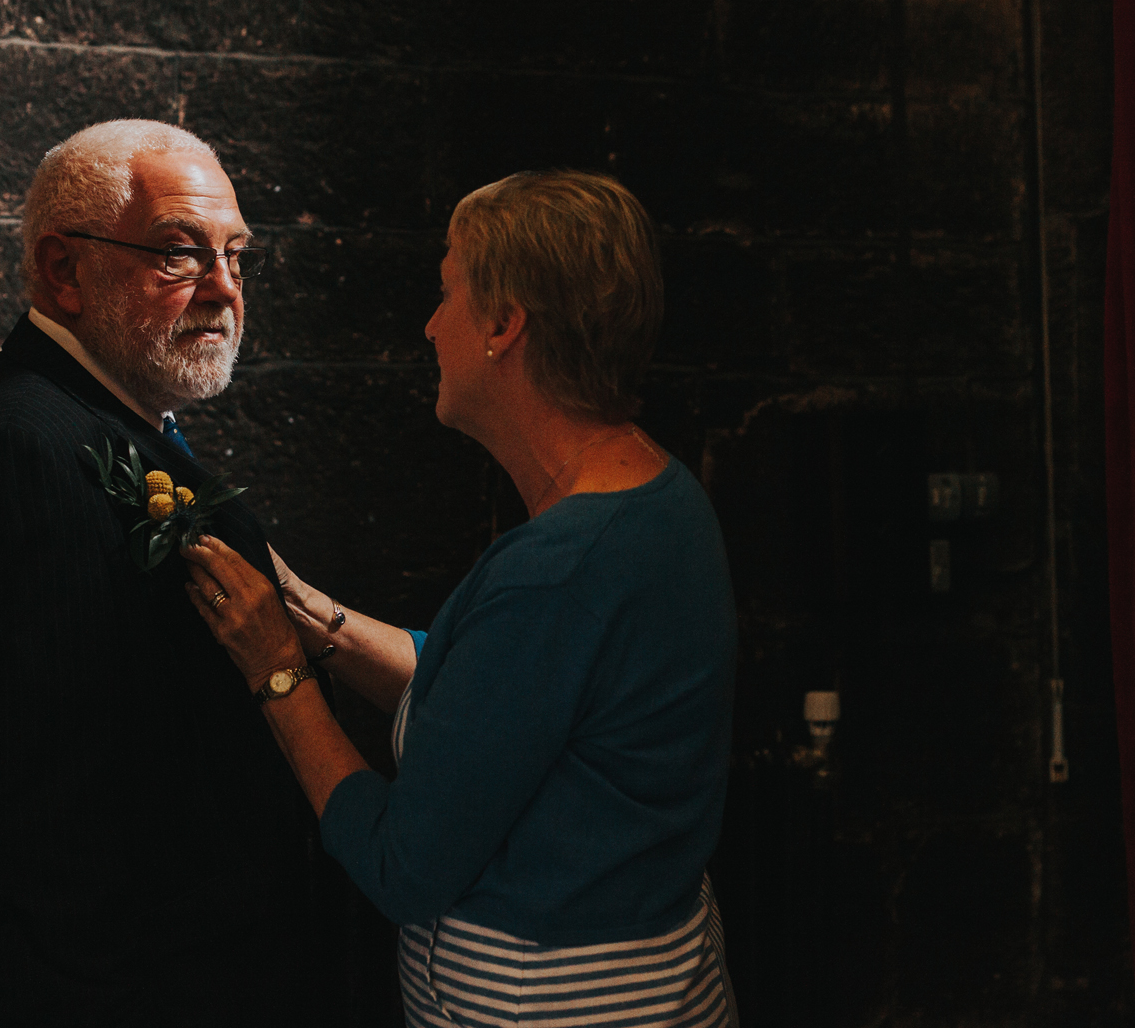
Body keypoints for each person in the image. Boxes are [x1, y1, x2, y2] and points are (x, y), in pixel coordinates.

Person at [180, 169, 740, 1027]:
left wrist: (277, 673)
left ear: (505, 325)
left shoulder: (556, 567)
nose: (431, 325)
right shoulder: (657, 500)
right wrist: (315, 619)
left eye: (447, 294)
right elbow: (494, 699)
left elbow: (404, 865)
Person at [0, 120, 339, 1023]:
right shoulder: (25, 451)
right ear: (64, 271)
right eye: (179, 255)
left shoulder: (113, 416)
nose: (223, 290)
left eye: (235, 255)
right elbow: (56, 825)